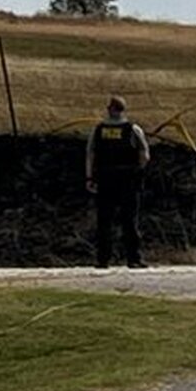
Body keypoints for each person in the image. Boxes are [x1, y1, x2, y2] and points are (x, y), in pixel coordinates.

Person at [86, 95, 150, 268]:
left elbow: (91, 154)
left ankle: (103, 260)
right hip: (128, 179)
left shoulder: (99, 129)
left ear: (111, 109)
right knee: (130, 220)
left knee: (104, 221)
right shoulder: (133, 129)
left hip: (105, 178)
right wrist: (138, 171)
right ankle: (134, 259)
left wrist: (90, 177)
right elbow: (144, 154)